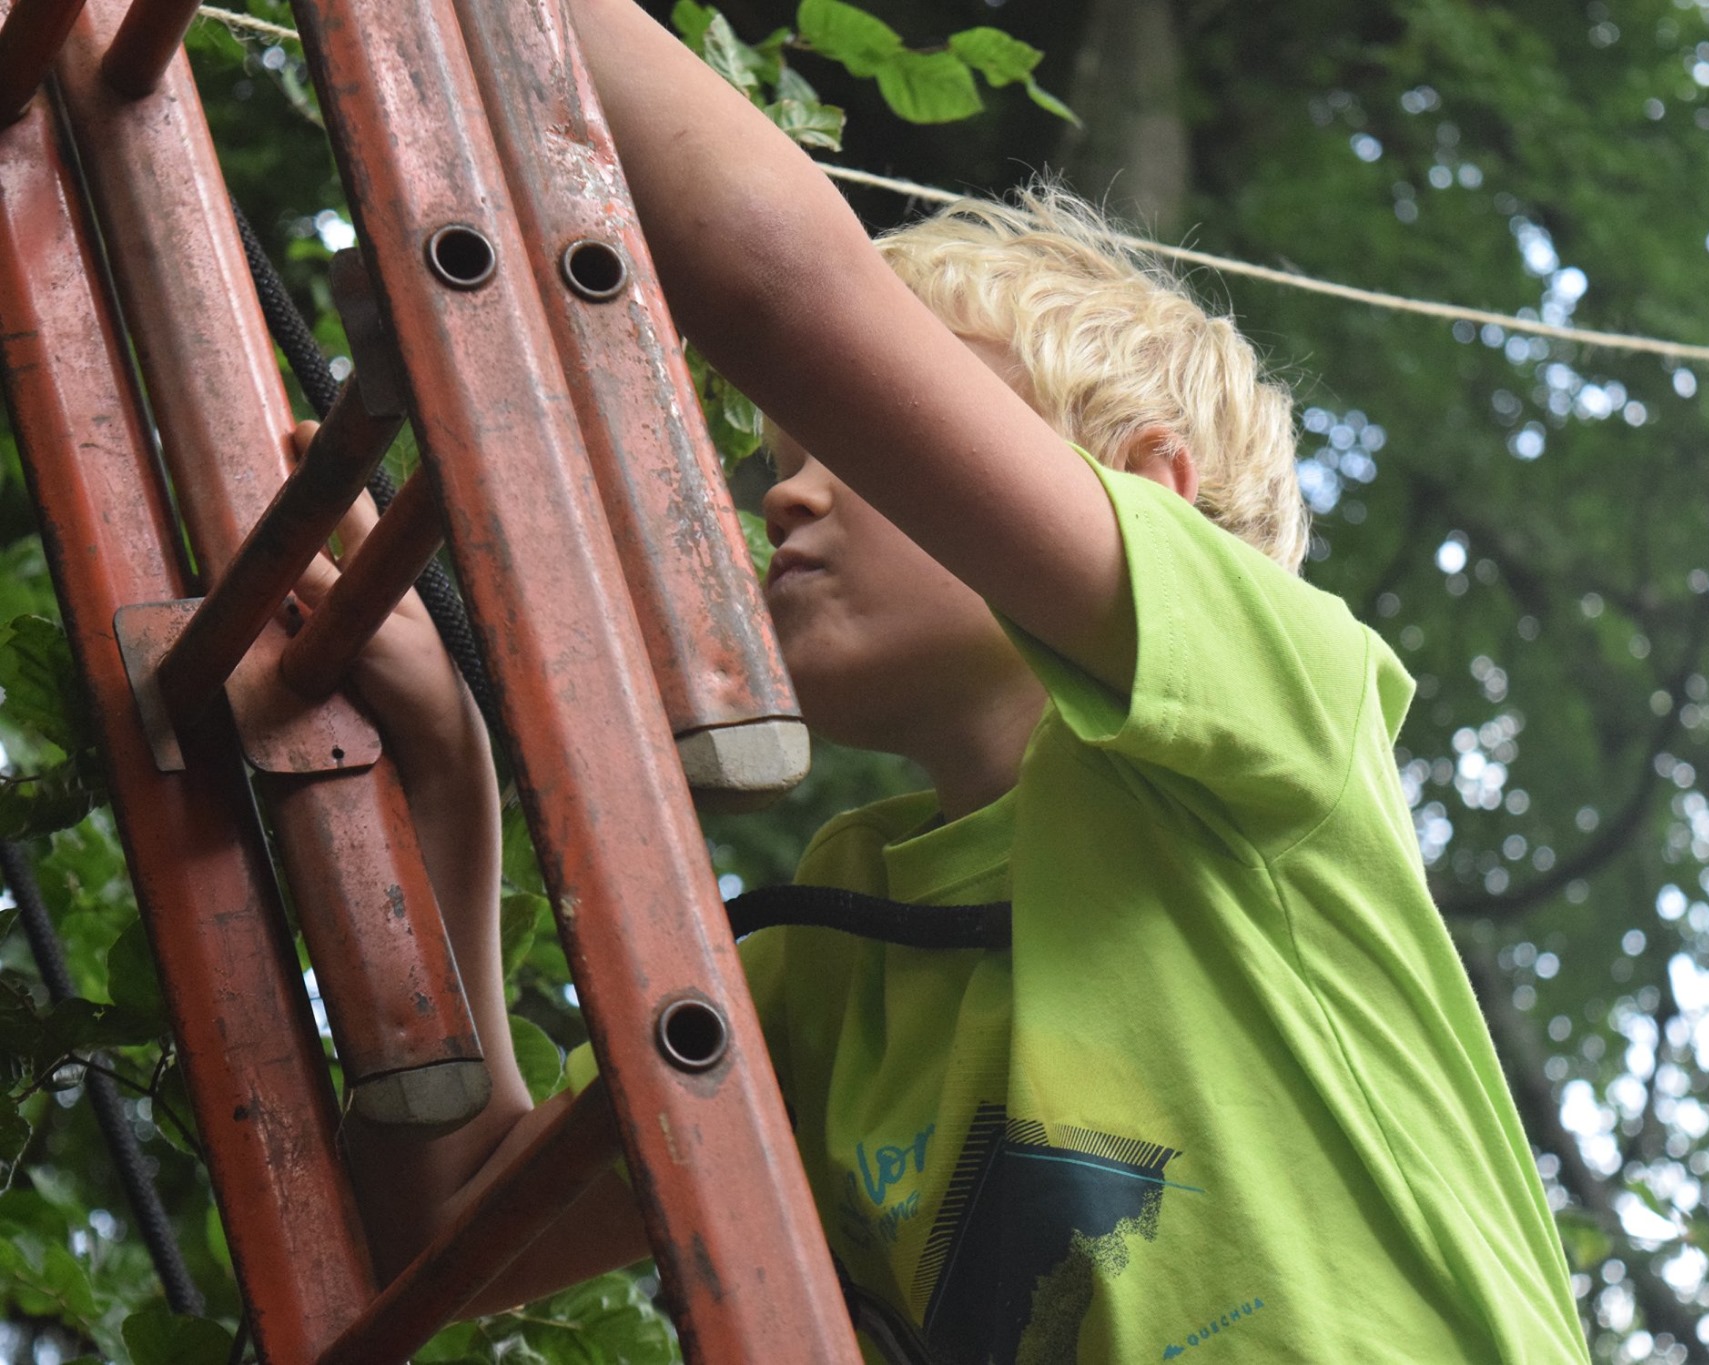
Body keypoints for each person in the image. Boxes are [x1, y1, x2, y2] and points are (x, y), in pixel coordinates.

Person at [323, 0, 1593, 1359]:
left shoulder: (1265, 722)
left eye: (862, 443)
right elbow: (452, 1230)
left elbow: (777, 281)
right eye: (783, 463)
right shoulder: (833, 959)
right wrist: (447, 771)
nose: (785, 499)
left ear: (1151, 492)